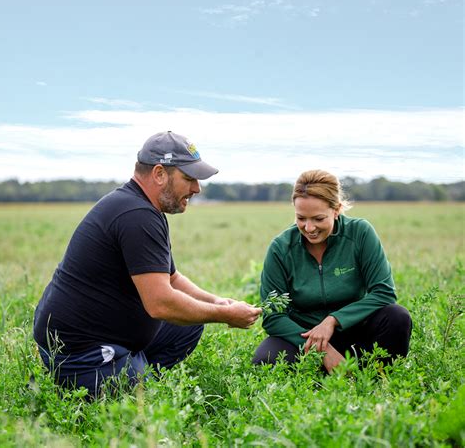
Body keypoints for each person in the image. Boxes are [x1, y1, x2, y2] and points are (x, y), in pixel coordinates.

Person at [34, 131, 261, 396]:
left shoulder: (144, 208)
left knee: (185, 329)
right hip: (80, 352)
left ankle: (132, 373)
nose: (197, 188)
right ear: (159, 174)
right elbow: (160, 302)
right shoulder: (137, 215)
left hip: (102, 336)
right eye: (189, 178)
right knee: (138, 402)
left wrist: (220, 303)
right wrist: (226, 316)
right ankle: (126, 381)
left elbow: (172, 278)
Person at [253, 170, 412, 373]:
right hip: (304, 337)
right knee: (266, 360)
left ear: (336, 209)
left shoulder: (360, 233)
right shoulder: (280, 248)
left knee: (397, 317)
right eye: (301, 218)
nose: (309, 228)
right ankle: (327, 377)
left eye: (318, 219)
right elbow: (273, 316)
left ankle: (376, 379)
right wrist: (322, 349)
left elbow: (384, 292)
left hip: (355, 332)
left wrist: (333, 320)